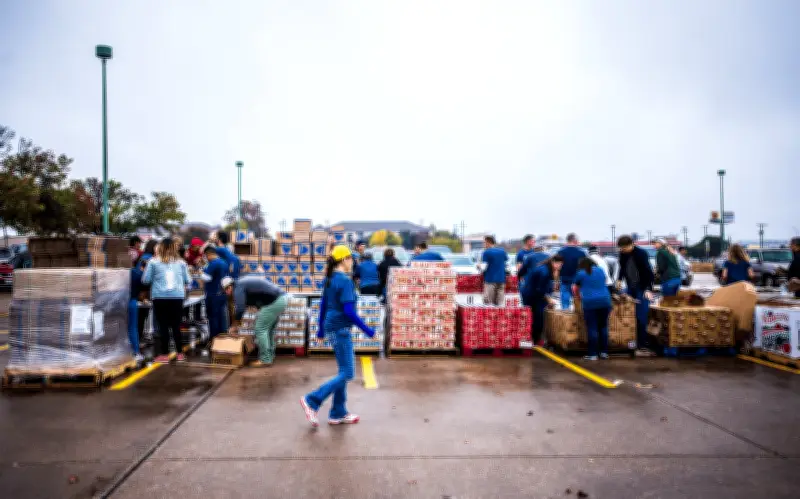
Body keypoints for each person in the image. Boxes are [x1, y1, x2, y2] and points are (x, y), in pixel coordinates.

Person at [301, 245, 376, 427]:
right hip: (340, 329)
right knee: (348, 373)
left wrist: (320, 330)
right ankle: (312, 400)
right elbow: (349, 311)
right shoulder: (345, 281)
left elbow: (323, 306)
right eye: (351, 258)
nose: (353, 262)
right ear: (344, 260)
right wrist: (368, 331)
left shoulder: (330, 279)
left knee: (343, 371)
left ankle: (337, 412)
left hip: (331, 327)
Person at [142, 237, 192, 363]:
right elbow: (188, 280)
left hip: (159, 297)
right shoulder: (181, 263)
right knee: (176, 325)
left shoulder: (153, 262)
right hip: (177, 297)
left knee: (163, 326)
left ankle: (164, 354)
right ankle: (180, 353)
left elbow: (145, 280)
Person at [225, 275, 288, 367]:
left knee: (260, 329)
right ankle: (269, 356)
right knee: (268, 330)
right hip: (281, 299)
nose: (227, 293)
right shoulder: (241, 283)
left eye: (226, 290)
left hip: (274, 302)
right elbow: (254, 300)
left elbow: (240, 309)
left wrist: (234, 326)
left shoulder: (237, 288)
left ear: (229, 287)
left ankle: (265, 359)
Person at [616, 235, 655, 356]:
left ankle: (642, 344)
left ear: (631, 245)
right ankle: (630, 341)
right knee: (628, 314)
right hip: (630, 287)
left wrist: (648, 289)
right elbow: (622, 268)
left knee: (641, 316)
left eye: (624, 248)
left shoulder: (641, 254)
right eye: (621, 248)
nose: (623, 250)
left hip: (642, 288)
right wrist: (619, 279)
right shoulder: (623, 254)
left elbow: (648, 272)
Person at [573, 258, 613, 361]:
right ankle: (604, 353)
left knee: (592, 328)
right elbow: (604, 282)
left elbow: (575, 288)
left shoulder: (580, 273)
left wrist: (577, 296)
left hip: (590, 302)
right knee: (603, 327)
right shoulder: (600, 270)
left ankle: (593, 354)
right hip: (605, 301)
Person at [521, 255, 564, 346]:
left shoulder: (546, 269)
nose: (560, 267)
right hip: (532, 295)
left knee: (536, 316)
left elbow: (547, 287)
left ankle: (534, 338)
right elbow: (540, 289)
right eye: (559, 264)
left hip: (534, 294)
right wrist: (548, 299)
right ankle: (536, 339)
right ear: (553, 262)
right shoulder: (544, 272)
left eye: (561, 265)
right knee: (538, 316)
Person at [200, 246, 230, 341]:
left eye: (205, 256)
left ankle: (214, 339)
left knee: (213, 318)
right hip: (222, 293)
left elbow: (207, 278)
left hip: (213, 294)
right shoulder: (224, 262)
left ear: (208, 254)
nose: (206, 258)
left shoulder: (213, 263)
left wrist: (200, 272)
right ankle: (222, 338)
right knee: (222, 318)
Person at [556, 233, 586, 309]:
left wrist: (556, 281)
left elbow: (557, 268)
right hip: (578, 282)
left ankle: (566, 319)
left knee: (565, 305)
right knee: (579, 305)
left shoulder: (560, 252)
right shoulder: (581, 253)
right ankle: (579, 320)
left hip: (564, 280)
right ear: (574, 240)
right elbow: (584, 269)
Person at [481, 236, 508, 305]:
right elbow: (506, 265)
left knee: (489, 304)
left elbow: (483, 267)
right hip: (502, 280)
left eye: (484, 243)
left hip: (490, 280)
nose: (483, 244)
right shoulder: (502, 251)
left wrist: (478, 266)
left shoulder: (486, 252)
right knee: (500, 304)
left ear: (488, 242)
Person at [128, 263, 144, 362]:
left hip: (117, 302)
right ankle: (135, 352)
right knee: (132, 327)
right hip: (131, 301)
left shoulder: (118, 274)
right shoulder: (136, 273)